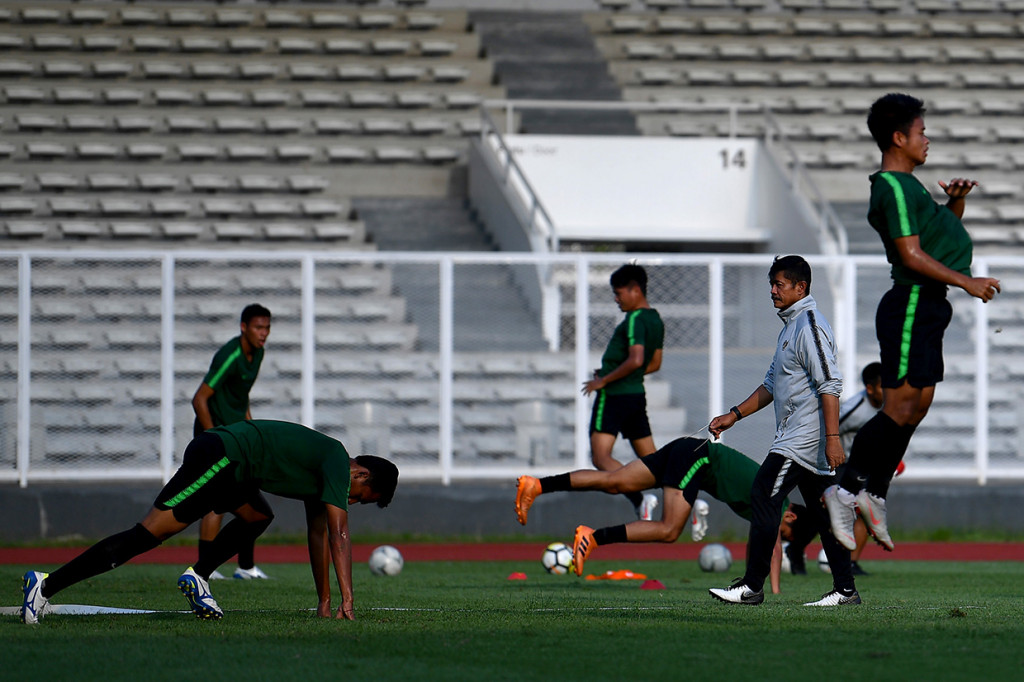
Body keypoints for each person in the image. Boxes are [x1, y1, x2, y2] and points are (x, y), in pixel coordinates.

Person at [823, 93, 1000, 553]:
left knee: (917, 405)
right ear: (899, 138)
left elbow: (933, 240)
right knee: (898, 407)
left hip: (929, 304)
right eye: (922, 132)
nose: (927, 139)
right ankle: (843, 491)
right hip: (911, 305)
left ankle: (875, 493)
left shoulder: (910, 186)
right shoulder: (893, 187)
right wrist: (967, 281)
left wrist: (954, 204)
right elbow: (910, 255)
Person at [20, 420, 398, 625]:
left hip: (234, 469)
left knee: (257, 516)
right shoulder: (336, 460)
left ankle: (199, 576)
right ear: (361, 474)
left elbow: (319, 536)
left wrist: (325, 602)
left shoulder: (326, 477)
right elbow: (339, 534)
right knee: (147, 535)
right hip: (221, 455)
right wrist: (349, 601)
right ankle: (45, 585)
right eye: (359, 497)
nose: (351, 503)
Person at [707, 255, 859, 607]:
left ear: (800, 287)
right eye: (771, 285)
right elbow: (771, 385)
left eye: (779, 284)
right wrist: (734, 415)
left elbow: (830, 384)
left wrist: (833, 439)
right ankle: (845, 590)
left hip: (803, 440)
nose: (772, 291)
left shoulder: (809, 325)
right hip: (802, 440)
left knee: (763, 494)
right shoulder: (790, 327)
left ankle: (751, 587)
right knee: (824, 513)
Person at [515, 436, 791, 594]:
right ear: (791, 518)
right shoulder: (780, 500)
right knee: (669, 530)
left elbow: (759, 543)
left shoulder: (763, 502)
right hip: (699, 458)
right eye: (788, 531)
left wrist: (751, 580)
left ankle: (537, 485)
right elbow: (774, 547)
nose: (781, 531)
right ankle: (594, 537)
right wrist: (774, 592)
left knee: (614, 481)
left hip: (687, 448)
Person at [785, 362, 890, 576]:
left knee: (864, 510)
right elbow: (828, 428)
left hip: (862, 467)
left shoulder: (889, 406)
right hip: (838, 465)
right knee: (825, 514)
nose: (888, 391)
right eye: (883, 386)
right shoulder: (855, 409)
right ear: (870, 388)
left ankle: (851, 562)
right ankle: (795, 549)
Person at [192, 303, 271, 580]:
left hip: (238, 437)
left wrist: (251, 429)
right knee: (219, 501)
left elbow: (240, 394)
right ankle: (206, 568)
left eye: (267, 328)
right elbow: (199, 399)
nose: (263, 333)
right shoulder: (230, 354)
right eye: (258, 327)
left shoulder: (258, 353)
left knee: (247, 495)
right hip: (218, 438)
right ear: (243, 327)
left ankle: (245, 567)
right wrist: (213, 438)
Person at [582, 263, 665, 521]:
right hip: (635, 396)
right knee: (653, 461)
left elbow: (636, 359)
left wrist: (605, 380)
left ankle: (640, 500)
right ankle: (688, 499)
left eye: (618, 294)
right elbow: (654, 363)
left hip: (614, 396)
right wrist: (619, 372)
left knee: (600, 457)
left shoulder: (634, 319)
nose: (616, 300)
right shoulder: (655, 319)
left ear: (635, 290)